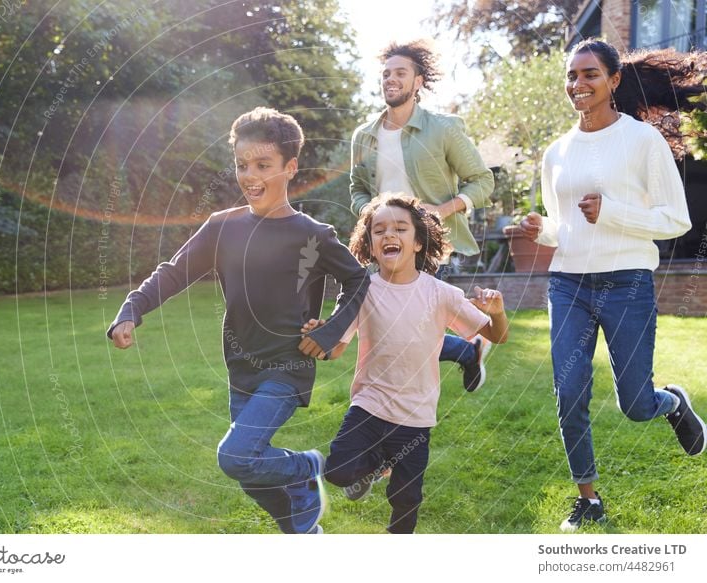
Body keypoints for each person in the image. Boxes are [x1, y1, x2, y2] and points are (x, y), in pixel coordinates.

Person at [107, 107, 370, 534]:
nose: (250, 175)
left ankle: (310, 466)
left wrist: (331, 330)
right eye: (242, 165)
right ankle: (303, 530)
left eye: (263, 165)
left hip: (288, 365)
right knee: (250, 474)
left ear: (290, 168)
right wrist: (131, 309)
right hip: (241, 366)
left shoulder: (313, 234)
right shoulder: (221, 228)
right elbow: (173, 271)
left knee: (236, 456)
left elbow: (358, 280)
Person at [518, 39, 707, 532]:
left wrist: (612, 212)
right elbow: (564, 229)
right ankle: (588, 497)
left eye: (590, 75)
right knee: (569, 389)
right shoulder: (556, 152)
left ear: (614, 80)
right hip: (569, 284)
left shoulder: (642, 141)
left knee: (634, 404)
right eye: (572, 76)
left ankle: (670, 402)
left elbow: (676, 220)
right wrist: (543, 230)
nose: (577, 84)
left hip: (627, 282)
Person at [302, 194, 509, 533]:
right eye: (378, 230)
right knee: (338, 471)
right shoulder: (363, 290)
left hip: (415, 416)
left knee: (406, 497)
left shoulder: (439, 293)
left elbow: (497, 335)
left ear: (417, 242)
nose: (388, 235)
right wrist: (319, 337)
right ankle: (376, 464)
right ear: (369, 244)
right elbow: (336, 350)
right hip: (368, 404)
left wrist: (497, 313)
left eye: (400, 228)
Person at [349, 39, 496, 393]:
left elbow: (482, 180)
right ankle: (466, 349)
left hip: (427, 243)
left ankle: (403, 407)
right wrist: (368, 215)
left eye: (400, 73)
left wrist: (443, 210)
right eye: (386, 74)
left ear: (418, 82)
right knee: (390, 327)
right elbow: (357, 188)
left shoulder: (442, 129)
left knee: (405, 327)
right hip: (383, 243)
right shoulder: (364, 136)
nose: (390, 79)